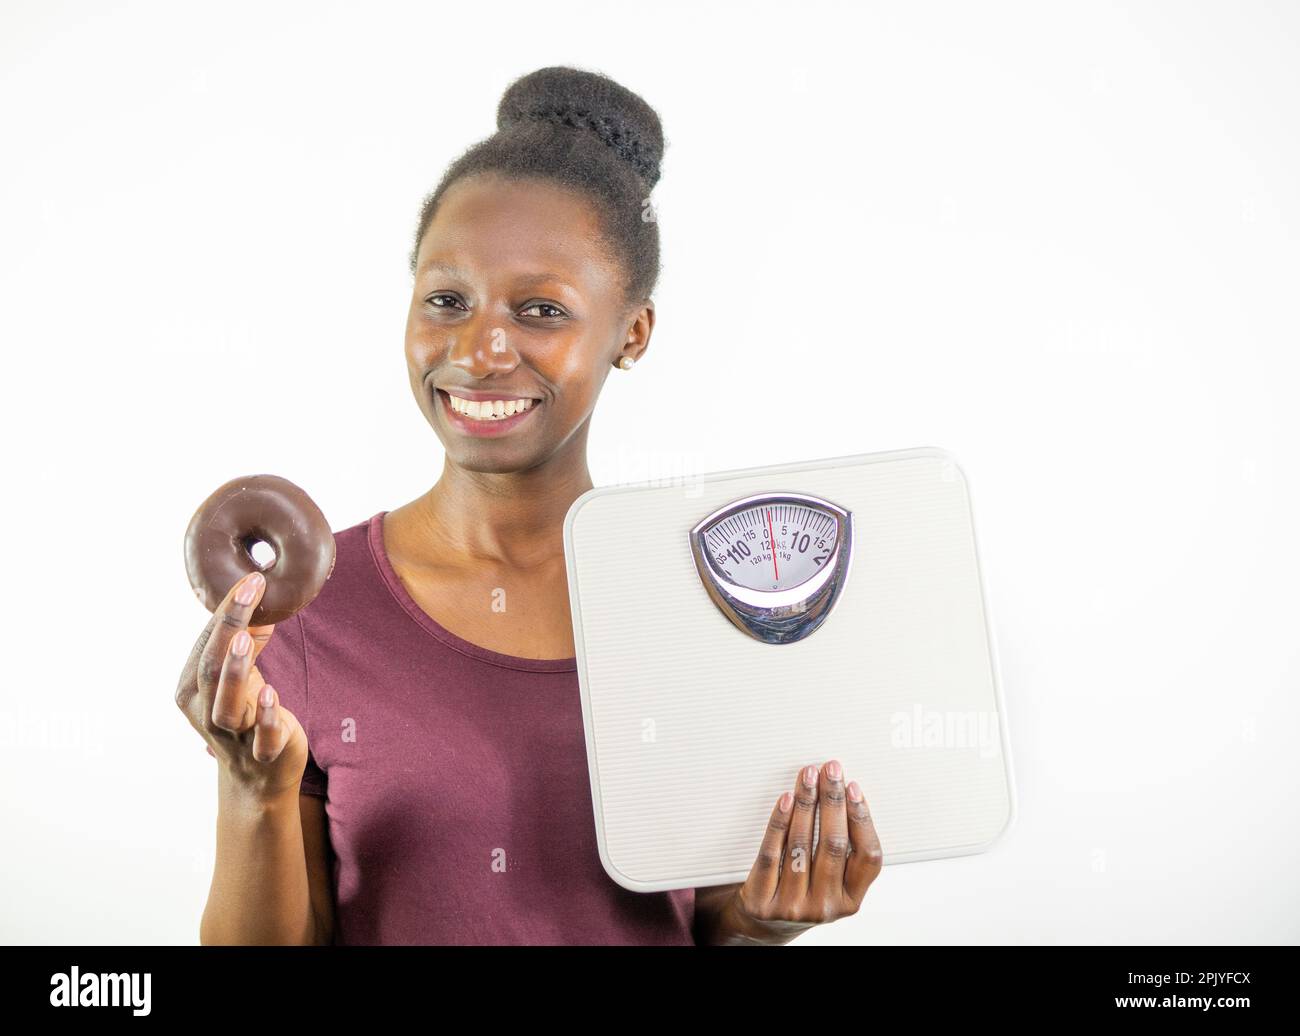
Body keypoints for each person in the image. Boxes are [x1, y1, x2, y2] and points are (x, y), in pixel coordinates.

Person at [176, 65, 883, 946]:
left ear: (632, 334)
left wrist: (765, 918)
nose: (480, 349)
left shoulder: (705, 602)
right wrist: (254, 789)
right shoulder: (314, 617)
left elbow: (703, 919)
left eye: (542, 309)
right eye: (447, 300)